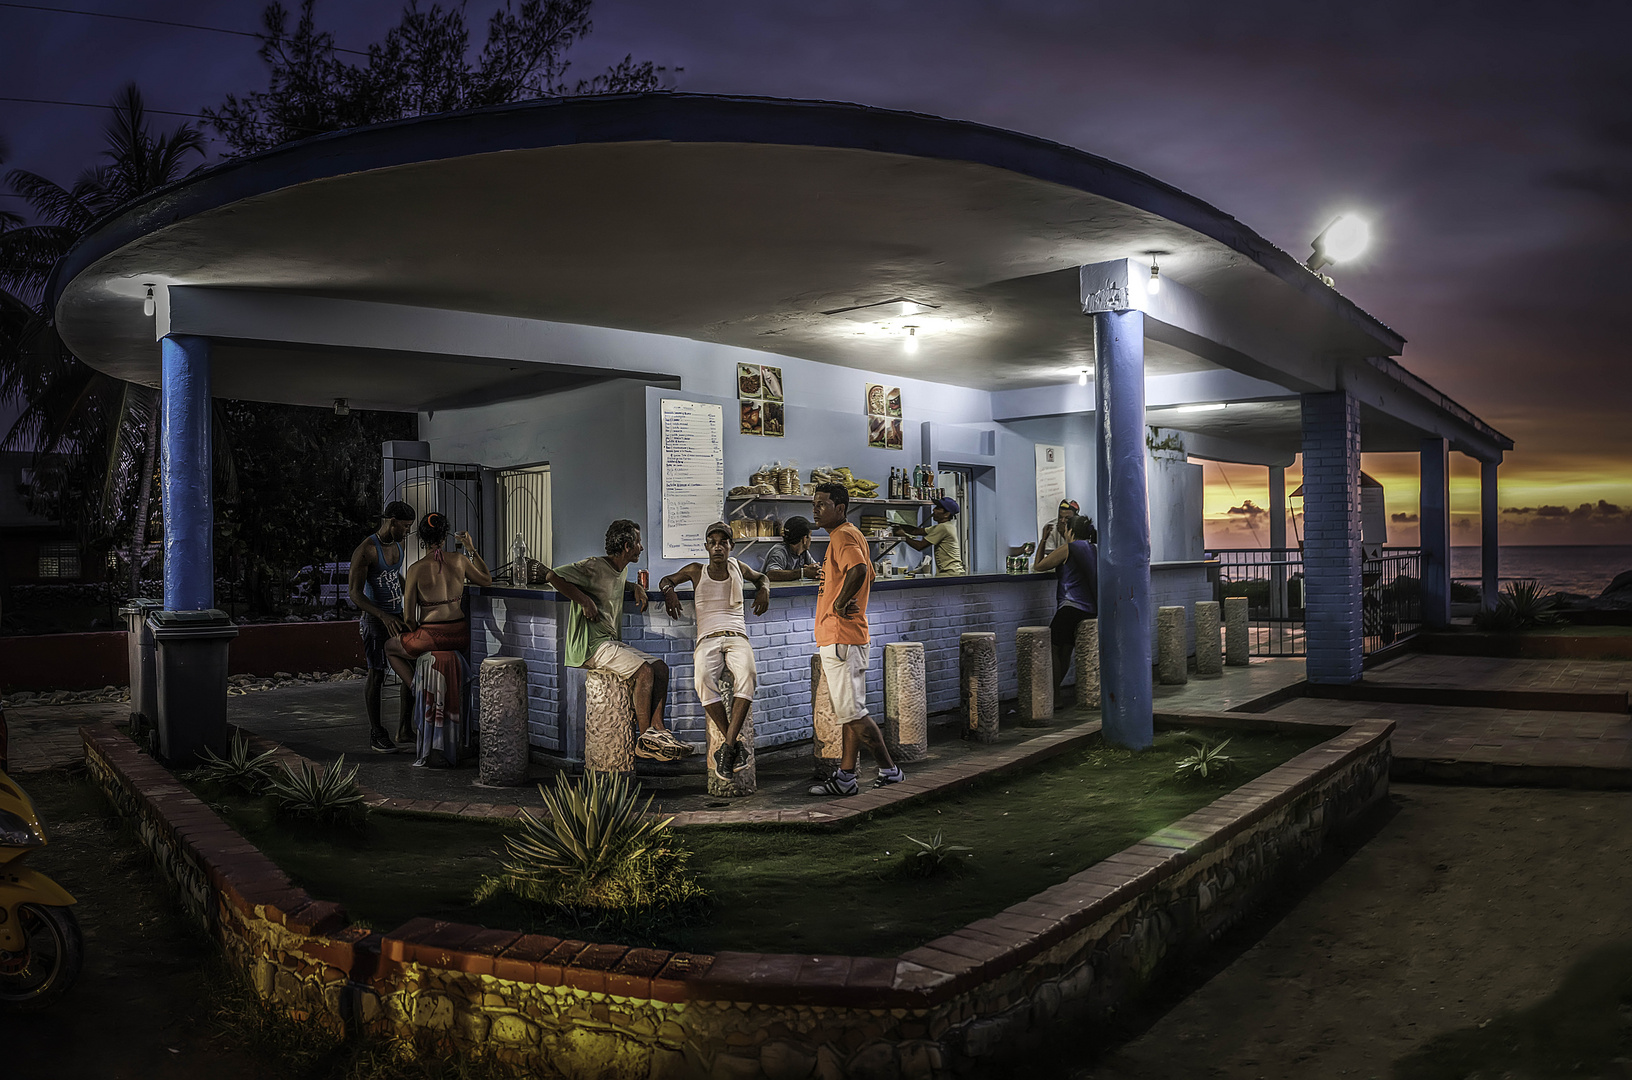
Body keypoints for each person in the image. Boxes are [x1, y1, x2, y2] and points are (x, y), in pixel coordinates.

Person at [546, 520, 691, 761]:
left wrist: (635, 587)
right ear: (626, 546)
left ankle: (659, 731)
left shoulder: (621, 569)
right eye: (638, 543)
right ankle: (645, 740)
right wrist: (584, 600)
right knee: (644, 672)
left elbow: (613, 583)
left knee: (660, 668)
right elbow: (553, 575)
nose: (641, 548)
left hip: (608, 642)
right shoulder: (593, 565)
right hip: (590, 646)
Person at [807, 482, 904, 796]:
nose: (815, 509)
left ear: (840, 508)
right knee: (849, 711)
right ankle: (846, 777)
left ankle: (890, 770)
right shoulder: (851, 534)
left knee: (855, 714)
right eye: (814, 504)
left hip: (841, 638)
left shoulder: (843, 535)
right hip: (847, 638)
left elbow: (860, 569)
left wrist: (838, 601)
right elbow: (867, 572)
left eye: (822, 504)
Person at [658, 521, 771, 780]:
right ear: (706, 547)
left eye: (723, 542)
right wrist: (669, 592)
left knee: (748, 674)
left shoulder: (739, 568)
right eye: (713, 542)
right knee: (702, 679)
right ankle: (734, 745)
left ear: (731, 546)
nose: (718, 547)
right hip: (708, 638)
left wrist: (764, 589)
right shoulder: (696, 571)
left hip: (737, 636)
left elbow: (762, 577)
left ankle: (728, 747)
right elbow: (667, 580)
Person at [384, 513, 492, 764]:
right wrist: (472, 549)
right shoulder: (461, 560)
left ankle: (418, 689)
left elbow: (409, 617)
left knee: (390, 648)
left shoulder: (415, 569)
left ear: (422, 539)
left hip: (430, 637)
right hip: (458, 636)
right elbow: (486, 580)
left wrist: (409, 631)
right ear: (444, 537)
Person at [347, 500, 416, 752]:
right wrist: (382, 615)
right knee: (376, 674)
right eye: (405, 526)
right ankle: (376, 733)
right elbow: (354, 593)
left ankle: (404, 729)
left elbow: (393, 575)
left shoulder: (399, 543)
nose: (407, 531)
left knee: (412, 667)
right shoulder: (366, 549)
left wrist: (412, 593)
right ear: (392, 521)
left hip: (398, 616)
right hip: (376, 620)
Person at [1032, 515, 1099, 703]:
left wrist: (1044, 539)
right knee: (1065, 650)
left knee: (1052, 647)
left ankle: (1055, 696)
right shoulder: (1092, 549)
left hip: (1070, 606)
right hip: (1089, 608)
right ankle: (1056, 693)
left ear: (1070, 531)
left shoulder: (1069, 548)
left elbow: (1039, 566)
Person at [894, 496, 965, 575]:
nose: (933, 510)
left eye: (938, 508)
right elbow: (917, 531)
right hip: (952, 572)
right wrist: (895, 525)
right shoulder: (944, 526)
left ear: (947, 514)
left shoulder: (943, 528)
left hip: (950, 573)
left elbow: (920, 546)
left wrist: (904, 537)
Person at [760, 515, 821, 582]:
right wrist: (803, 572)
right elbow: (771, 574)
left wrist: (817, 572)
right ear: (804, 539)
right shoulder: (779, 551)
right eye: (809, 536)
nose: (810, 539)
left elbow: (814, 570)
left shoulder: (804, 552)